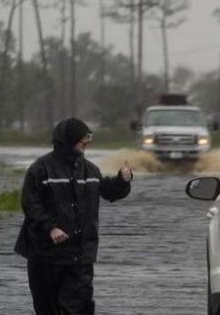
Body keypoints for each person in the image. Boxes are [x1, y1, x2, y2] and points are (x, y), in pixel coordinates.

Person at [15, 118, 133, 315]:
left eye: (89, 138)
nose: (87, 142)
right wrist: (50, 227)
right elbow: (30, 204)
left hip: (81, 256)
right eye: (83, 138)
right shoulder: (40, 169)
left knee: (78, 308)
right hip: (46, 256)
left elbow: (110, 192)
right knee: (47, 309)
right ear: (68, 139)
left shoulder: (91, 170)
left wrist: (122, 181)